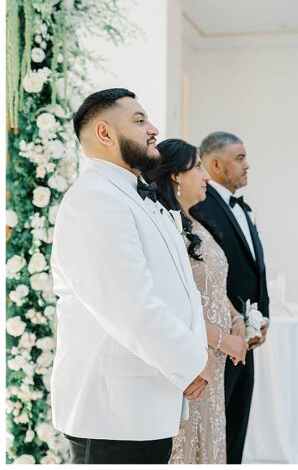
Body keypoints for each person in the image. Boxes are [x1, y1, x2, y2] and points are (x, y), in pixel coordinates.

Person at [50, 88, 211, 464]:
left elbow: (180, 289)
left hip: (146, 403)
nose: (153, 128)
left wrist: (194, 355)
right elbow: (130, 305)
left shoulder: (133, 197)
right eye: (139, 121)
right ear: (104, 133)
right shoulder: (94, 200)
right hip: (113, 413)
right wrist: (191, 363)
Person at [143, 139, 250, 464]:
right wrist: (223, 341)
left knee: (212, 445)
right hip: (193, 361)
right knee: (188, 446)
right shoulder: (163, 228)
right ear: (176, 175)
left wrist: (238, 320)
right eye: (197, 168)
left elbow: (215, 285)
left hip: (216, 361)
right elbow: (171, 305)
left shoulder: (195, 224)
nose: (205, 176)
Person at [193, 131, 270, 463]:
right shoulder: (199, 206)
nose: (247, 165)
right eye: (239, 158)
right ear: (215, 163)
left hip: (246, 336)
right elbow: (206, 272)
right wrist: (232, 325)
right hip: (219, 337)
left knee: (237, 423)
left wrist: (260, 318)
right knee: (217, 427)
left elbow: (254, 268)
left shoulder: (244, 208)